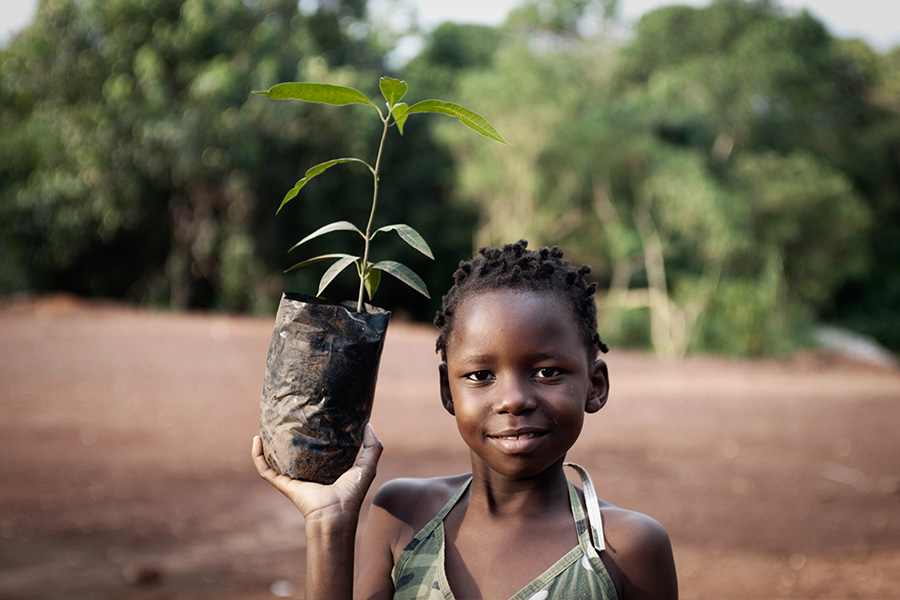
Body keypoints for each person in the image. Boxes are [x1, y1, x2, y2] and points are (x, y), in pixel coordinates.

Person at [252, 240, 678, 599]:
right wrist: (329, 525)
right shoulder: (402, 516)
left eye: (546, 372)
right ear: (447, 392)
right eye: (480, 376)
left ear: (595, 386)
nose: (513, 400)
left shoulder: (626, 549)